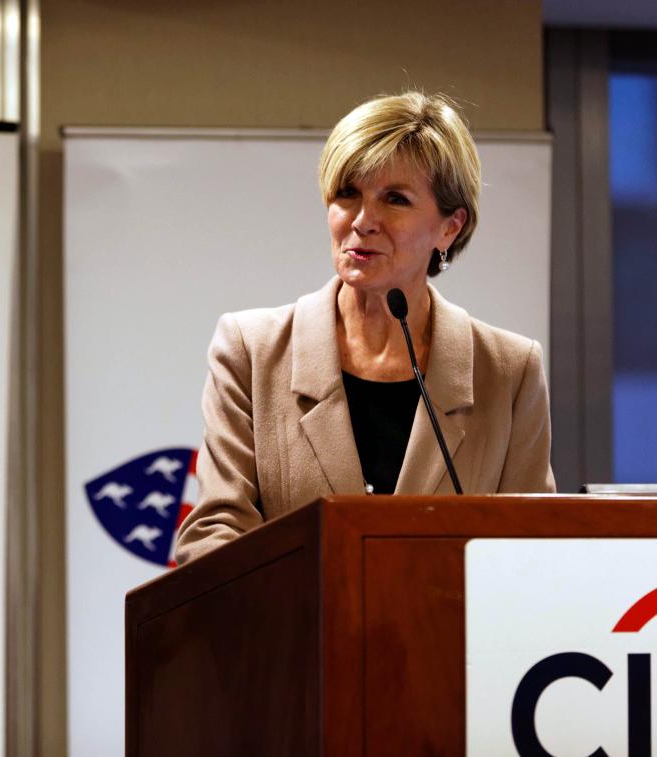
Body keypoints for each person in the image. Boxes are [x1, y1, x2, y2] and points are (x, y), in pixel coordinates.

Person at [174, 92, 556, 565]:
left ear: (450, 227)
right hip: (297, 635)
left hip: (447, 637)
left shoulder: (509, 371)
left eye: (395, 199)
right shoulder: (252, 351)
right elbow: (216, 531)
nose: (362, 221)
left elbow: (536, 549)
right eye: (347, 193)